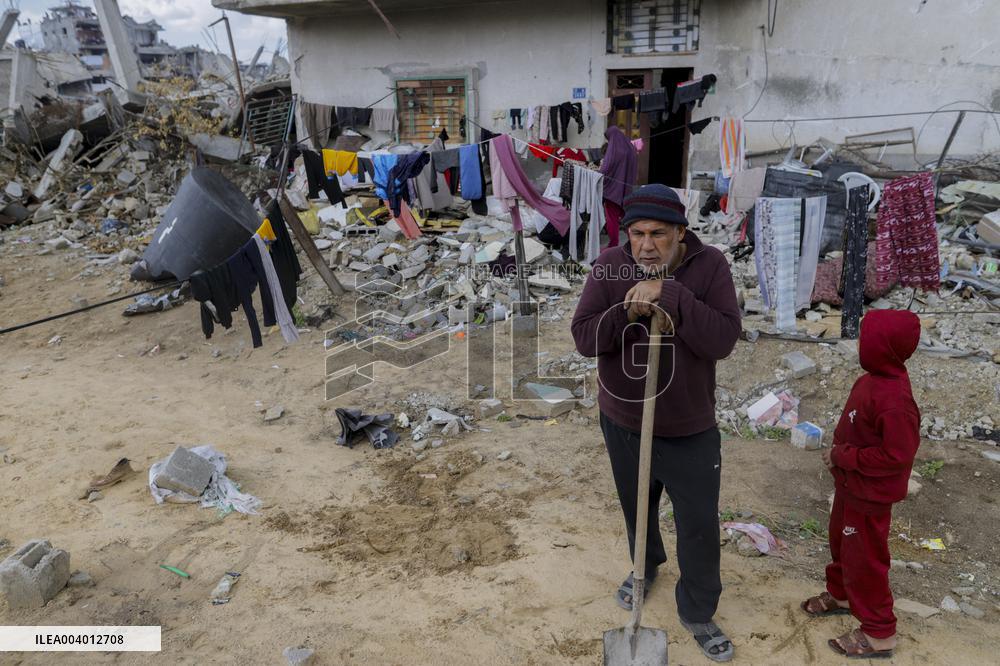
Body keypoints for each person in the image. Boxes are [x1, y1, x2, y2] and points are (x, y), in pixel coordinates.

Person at [571, 184, 741, 662]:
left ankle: (698, 609)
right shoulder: (610, 266)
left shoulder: (710, 268)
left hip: (689, 426)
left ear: (681, 233)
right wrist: (624, 311)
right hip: (623, 419)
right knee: (637, 508)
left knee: (699, 524)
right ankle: (644, 568)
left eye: (659, 235)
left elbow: (723, 339)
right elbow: (584, 338)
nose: (646, 245)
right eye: (637, 234)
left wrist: (673, 294)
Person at [802, 309, 922, 659]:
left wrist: (845, 457)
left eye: (864, 337)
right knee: (841, 541)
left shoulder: (896, 401)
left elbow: (896, 456)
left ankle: (880, 632)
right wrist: (842, 460)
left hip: (870, 495)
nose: (858, 343)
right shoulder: (871, 380)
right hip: (851, 486)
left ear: (883, 347)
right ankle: (840, 594)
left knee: (865, 560)